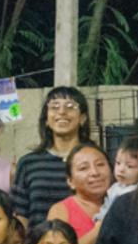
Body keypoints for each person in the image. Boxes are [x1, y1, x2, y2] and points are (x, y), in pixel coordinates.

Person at [11, 85, 92, 225]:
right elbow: (20, 217)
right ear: (47, 120)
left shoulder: (96, 162)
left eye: (70, 106)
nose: (62, 112)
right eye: (54, 107)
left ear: (82, 118)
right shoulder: (28, 163)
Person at [46, 141, 111, 244]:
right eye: (83, 168)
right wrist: (97, 231)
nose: (95, 172)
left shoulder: (124, 203)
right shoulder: (61, 210)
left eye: (100, 164)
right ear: (70, 181)